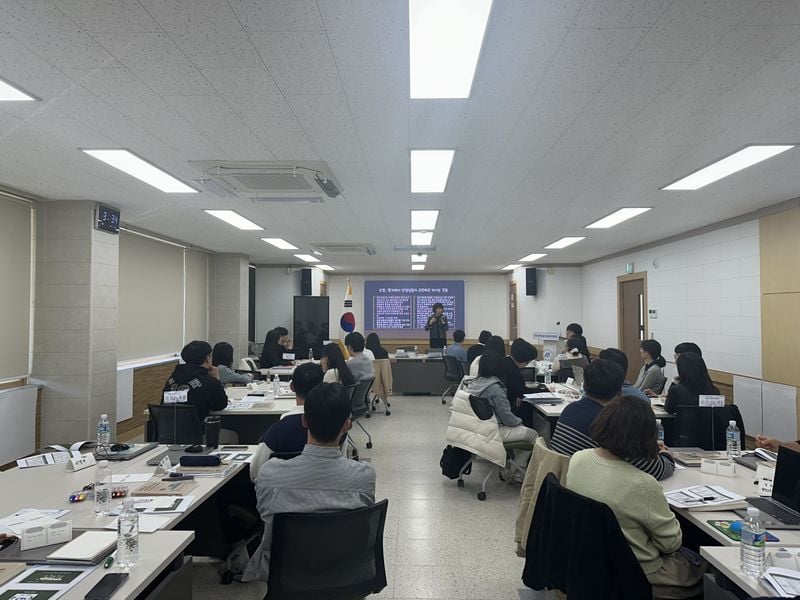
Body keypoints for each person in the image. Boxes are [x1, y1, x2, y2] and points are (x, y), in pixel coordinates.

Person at [566, 396, 704, 598]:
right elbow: (670, 544)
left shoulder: (579, 458)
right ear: (646, 436)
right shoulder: (643, 484)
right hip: (641, 574)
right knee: (709, 567)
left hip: (590, 564)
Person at [243, 382, 376, 583]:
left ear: (304, 421)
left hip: (285, 576)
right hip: (345, 576)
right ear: (347, 425)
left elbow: (263, 513)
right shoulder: (364, 476)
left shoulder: (270, 473)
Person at [550, 359, 675, 480]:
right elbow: (656, 470)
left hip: (562, 483)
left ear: (585, 385)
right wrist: (665, 455)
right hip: (588, 486)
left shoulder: (570, 409)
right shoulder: (612, 422)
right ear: (620, 392)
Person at [249, 362, 324, 480]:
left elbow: (255, 473)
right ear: (323, 387)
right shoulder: (334, 426)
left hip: (280, 488)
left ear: (292, 387)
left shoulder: (277, 431)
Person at [466, 350, 536, 444]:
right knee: (533, 434)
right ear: (500, 367)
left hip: (478, 427)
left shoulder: (473, 383)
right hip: (494, 430)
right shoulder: (495, 388)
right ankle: (521, 456)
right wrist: (521, 422)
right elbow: (507, 418)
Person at [163, 340, 228, 421]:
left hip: (168, 427)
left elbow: (167, 402)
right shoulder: (208, 381)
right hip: (197, 428)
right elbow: (221, 404)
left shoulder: (172, 379)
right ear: (207, 358)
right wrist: (216, 379)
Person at [504, 338, 537, 427]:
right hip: (508, 411)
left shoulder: (506, 361)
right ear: (525, 360)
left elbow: (518, 390)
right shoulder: (513, 370)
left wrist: (519, 394)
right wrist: (546, 391)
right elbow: (522, 391)